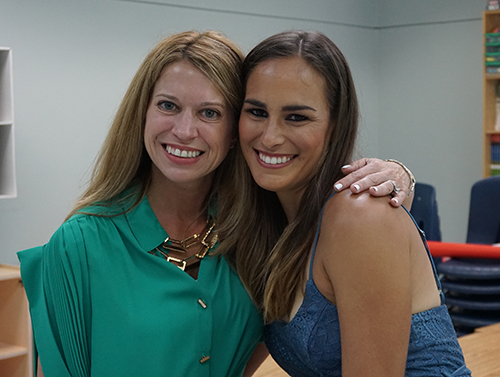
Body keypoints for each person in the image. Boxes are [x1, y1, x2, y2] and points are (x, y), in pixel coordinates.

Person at [18, 30, 413, 377]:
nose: (184, 131)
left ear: (234, 129)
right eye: (168, 106)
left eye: (210, 112)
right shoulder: (79, 245)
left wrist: (398, 173)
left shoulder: (257, 229)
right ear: (142, 113)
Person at [220, 30, 471, 376]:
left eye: (297, 117)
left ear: (336, 126)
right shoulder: (269, 224)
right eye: (257, 112)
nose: (271, 136)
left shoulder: (360, 217)